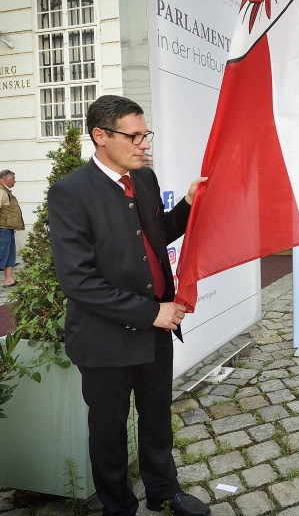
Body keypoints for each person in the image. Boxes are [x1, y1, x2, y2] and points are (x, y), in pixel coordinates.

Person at [48, 95, 210, 516]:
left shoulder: (146, 180)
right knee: (109, 431)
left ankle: (162, 491)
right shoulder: (70, 194)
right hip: (105, 340)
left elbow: (157, 235)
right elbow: (78, 282)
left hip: (155, 332)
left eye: (145, 135)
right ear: (100, 136)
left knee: (157, 420)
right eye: (133, 136)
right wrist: (152, 311)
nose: (143, 144)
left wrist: (189, 205)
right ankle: (118, 507)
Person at [0, 169, 23, 288]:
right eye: (13, 178)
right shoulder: (1, 191)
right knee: (2, 254)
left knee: (9, 255)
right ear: (5, 178)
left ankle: (9, 279)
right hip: (2, 230)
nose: (15, 181)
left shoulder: (5, 191)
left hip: (7, 229)